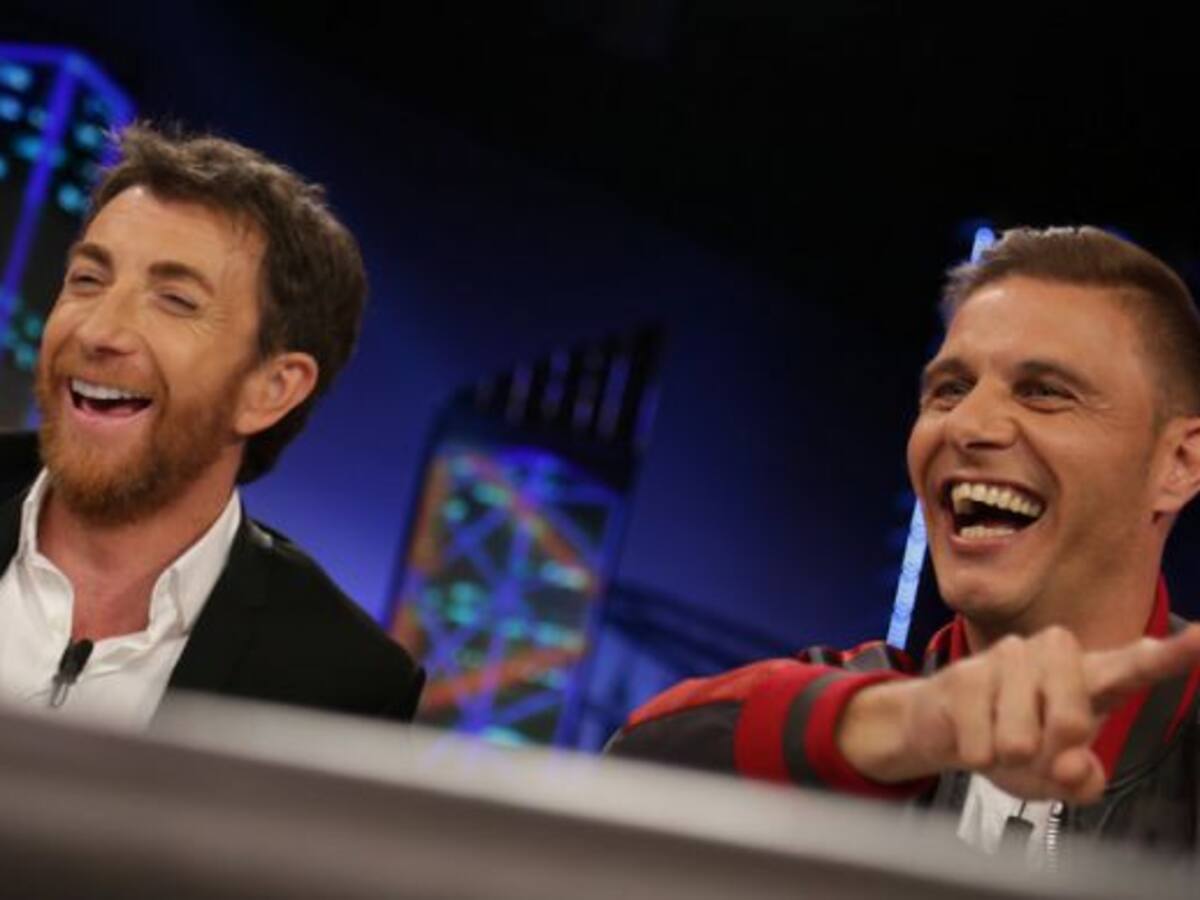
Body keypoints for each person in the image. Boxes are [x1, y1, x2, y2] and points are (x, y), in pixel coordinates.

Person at [608, 227, 1200, 858]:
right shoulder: (856, 717)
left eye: (1044, 392)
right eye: (950, 389)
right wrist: (897, 729)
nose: (967, 425)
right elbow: (637, 767)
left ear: (1179, 463)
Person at [0, 124, 423, 728]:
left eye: (175, 300)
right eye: (87, 280)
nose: (97, 331)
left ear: (271, 389)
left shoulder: (343, 683)